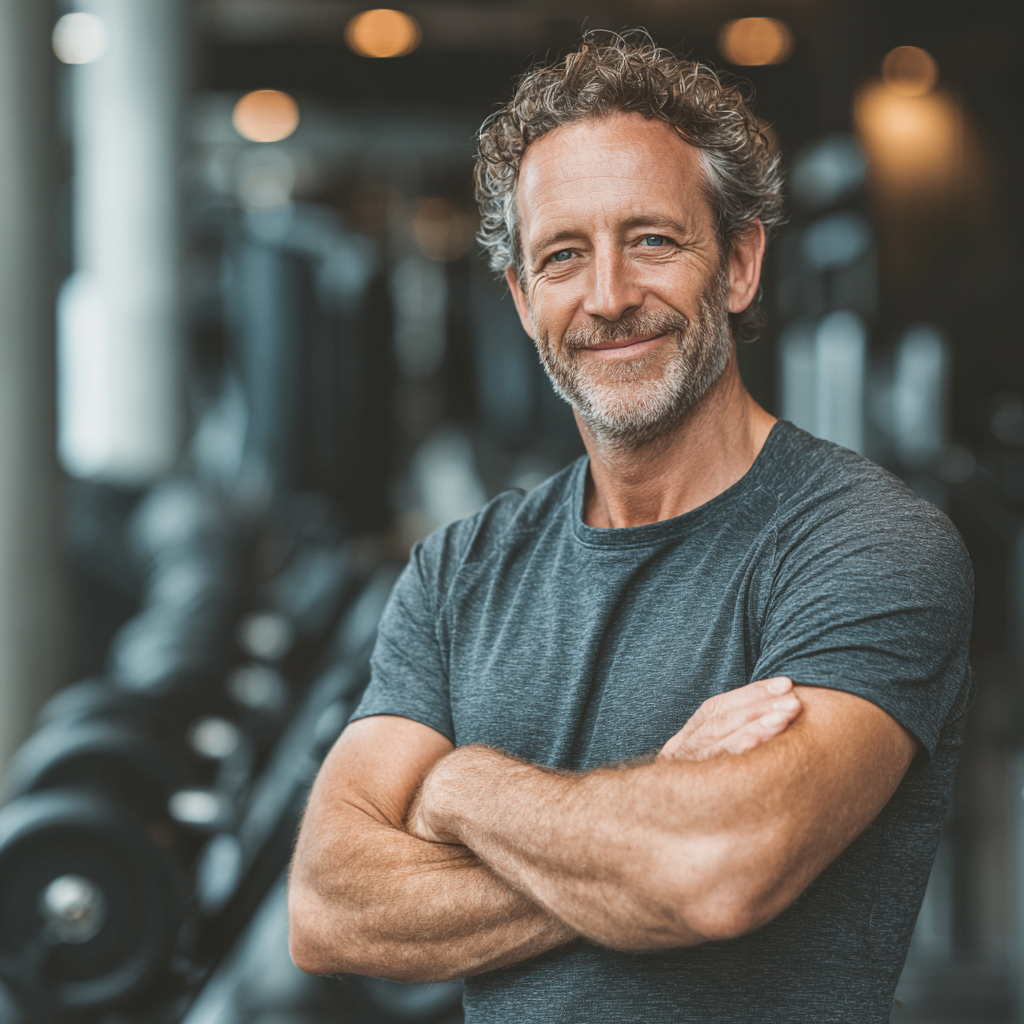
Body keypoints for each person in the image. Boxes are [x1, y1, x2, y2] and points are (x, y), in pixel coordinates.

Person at [288, 33, 973, 1024]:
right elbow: (329, 904)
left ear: (738, 264)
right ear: (524, 302)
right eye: (563, 255)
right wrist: (653, 807)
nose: (606, 297)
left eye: (651, 239)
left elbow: (714, 872)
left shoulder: (866, 544)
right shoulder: (460, 568)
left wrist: (463, 785)